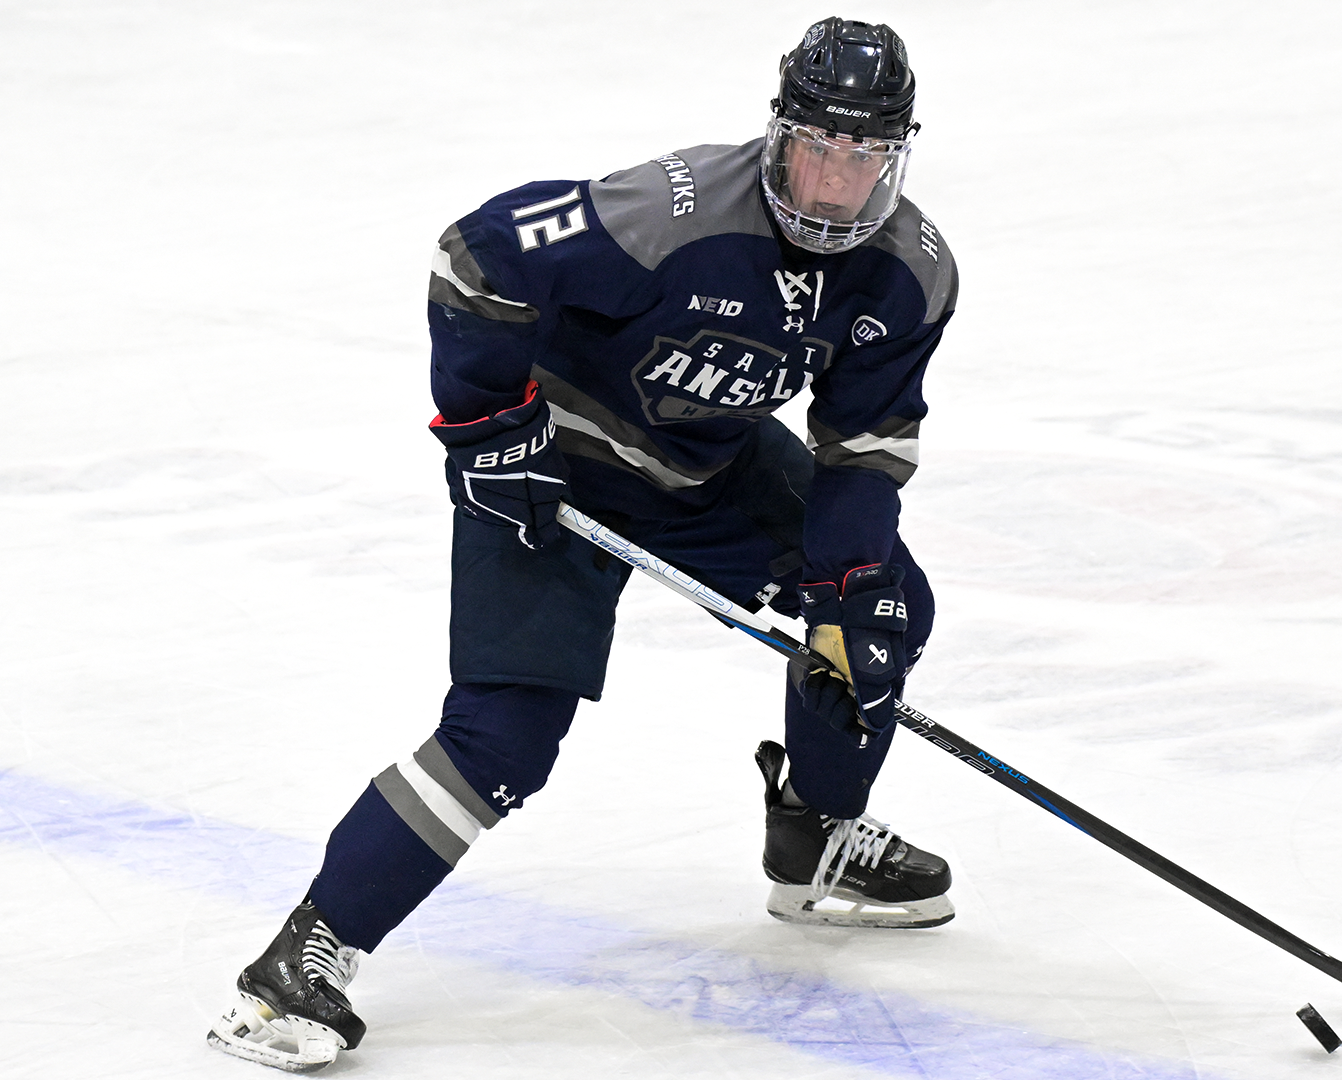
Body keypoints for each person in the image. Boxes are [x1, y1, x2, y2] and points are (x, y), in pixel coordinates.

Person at [207, 16, 959, 1073]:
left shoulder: (909, 271)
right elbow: (477, 257)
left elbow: (864, 449)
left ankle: (815, 833)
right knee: (504, 739)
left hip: (709, 469)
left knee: (884, 613)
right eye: (818, 146)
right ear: (780, 132)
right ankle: (306, 955)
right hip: (553, 476)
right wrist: (485, 426)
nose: (836, 181)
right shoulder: (673, 210)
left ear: (898, 152)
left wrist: (846, 591)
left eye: (865, 154)